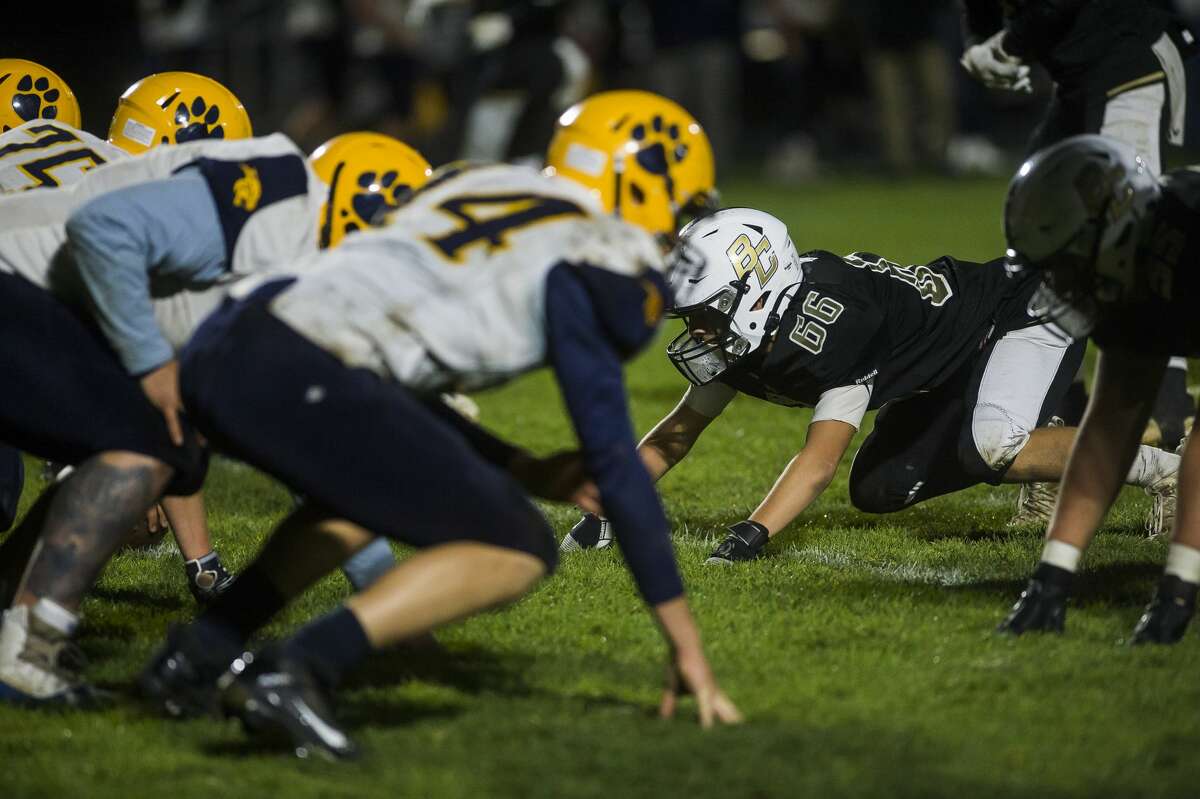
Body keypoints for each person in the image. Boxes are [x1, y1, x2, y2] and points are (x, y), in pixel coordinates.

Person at [141, 91, 738, 760]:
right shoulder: (602, 259)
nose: (673, 230)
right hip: (306, 364)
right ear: (642, 179)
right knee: (518, 544)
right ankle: (297, 668)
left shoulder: (484, 181)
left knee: (359, 496)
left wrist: (523, 467)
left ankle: (198, 654)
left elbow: (393, 385)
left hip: (233, 338)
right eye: (679, 204)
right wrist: (686, 643)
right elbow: (615, 462)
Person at [0, 130, 432, 706]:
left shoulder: (299, 261)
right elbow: (102, 229)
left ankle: (13, 613)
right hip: (15, 282)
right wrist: (152, 366)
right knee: (151, 438)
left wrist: (382, 592)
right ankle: (27, 649)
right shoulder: (271, 197)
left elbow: (308, 452)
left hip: (37, 300)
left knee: (167, 445)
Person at [561, 207, 1179, 564]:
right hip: (949, 359)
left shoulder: (830, 327)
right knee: (882, 488)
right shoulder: (755, 331)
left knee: (993, 445)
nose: (699, 328)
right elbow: (677, 434)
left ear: (756, 295)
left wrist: (749, 536)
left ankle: (1166, 470)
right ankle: (1057, 431)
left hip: (1020, 308)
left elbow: (817, 462)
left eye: (707, 311)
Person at [0, 66, 253, 602]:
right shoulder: (130, 192)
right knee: (135, 443)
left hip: (25, 301)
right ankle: (25, 634)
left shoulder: (81, 154)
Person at [959, 0, 1198, 524]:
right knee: (1036, 228)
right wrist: (980, 38)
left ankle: (1169, 405)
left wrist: (1007, 45)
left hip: (1128, 52)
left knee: (1130, 236)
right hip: (1078, 71)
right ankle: (1054, 415)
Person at [999, 134, 1200, 642]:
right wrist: (1051, 576)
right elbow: (1111, 425)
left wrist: (1177, 589)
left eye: (1069, 264)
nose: (1064, 284)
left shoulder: (1191, 243)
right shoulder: (1131, 266)